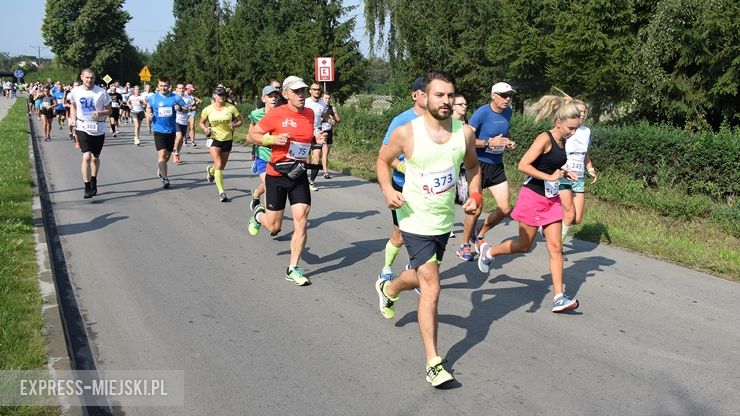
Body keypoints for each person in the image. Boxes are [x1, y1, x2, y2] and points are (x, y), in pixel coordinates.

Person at [374, 71, 482, 387]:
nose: (446, 101)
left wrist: (475, 194)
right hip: (412, 217)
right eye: (439, 95)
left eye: (451, 95)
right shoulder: (407, 133)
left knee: (421, 275)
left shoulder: (465, 133)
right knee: (432, 284)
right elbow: (382, 161)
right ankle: (434, 362)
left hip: (442, 219)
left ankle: (390, 287)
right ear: (426, 97)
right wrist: (387, 190)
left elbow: (474, 167)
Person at [477, 94, 581, 313]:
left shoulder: (563, 140)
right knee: (525, 245)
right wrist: (550, 177)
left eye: (576, 129)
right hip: (533, 197)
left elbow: (550, 167)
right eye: (570, 128)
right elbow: (523, 165)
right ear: (558, 122)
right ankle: (490, 252)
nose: (573, 133)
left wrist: (563, 172)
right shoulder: (544, 138)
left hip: (551, 200)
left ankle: (559, 297)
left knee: (556, 247)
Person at [247, 76, 327, 286]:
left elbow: (305, 136)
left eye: (303, 91)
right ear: (286, 94)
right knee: (274, 227)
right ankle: (258, 214)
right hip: (277, 175)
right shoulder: (276, 115)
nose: (302, 95)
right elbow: (252, 136)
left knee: (302, 220)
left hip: (298, 173)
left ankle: (293, 268)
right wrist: (272, 139)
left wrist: (315, 140)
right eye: (297, 92)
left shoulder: (309, 113)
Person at [457, 82, 517, 262]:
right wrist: (489, 143)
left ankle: (480, 233)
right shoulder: (482, 112)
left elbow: (501, 137)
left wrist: (508, 142)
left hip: (497, 166)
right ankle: (464, 244)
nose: (507, 99)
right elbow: (467, 139)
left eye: (509, 95)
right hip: (477, 165)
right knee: (475, 208)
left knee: (505, 208)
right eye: (504, 95)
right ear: (493, 96)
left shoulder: (509, 112)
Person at [377, 76, 427, 281]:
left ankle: (419, 272)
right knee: (400, 235)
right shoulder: (401, 120)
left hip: (428, 189)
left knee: (426, 235)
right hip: (403, 186)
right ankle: (387, 270)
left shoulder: (441, 121)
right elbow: (384, 156)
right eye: (424, 93)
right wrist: (403, 166)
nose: (429, 96)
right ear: (414, 95)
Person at [68, 68, 112, 199]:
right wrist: (73, 119)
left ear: (95, 78)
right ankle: (87, 187)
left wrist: (100, 113)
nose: (89, 80)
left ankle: (94, 179)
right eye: (87, 77)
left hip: (98, 127)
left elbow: (109, 110)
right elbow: (73, 105)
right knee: (86, 156)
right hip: (82, 126)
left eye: (91, 78)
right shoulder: (75, 91)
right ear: (82, 77)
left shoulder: (101, 92)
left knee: (95, 158)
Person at [559, 99, 598, 241]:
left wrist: (590, 169)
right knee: (569, 215)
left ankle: (551, 225)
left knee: (577, 218)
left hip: (579, 176)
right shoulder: (565, 127)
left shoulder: (586, 131)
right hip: (564, 174)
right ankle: (557, 247)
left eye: (584, 112)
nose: (582, 114)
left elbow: (585, 154)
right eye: (579, 111)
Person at [200, 86, 243, 202]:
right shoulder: (208, 109)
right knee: (218, 164)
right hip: (214, 139)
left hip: (227, 139)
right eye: (219, 95)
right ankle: (222, 192)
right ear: (214, 95)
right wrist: (205, 129)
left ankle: (211, 170)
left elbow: (240, 121)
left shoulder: (231, 108)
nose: (222, 97)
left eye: (224, 95)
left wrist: (235, 125)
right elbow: (201, 122)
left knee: (221, 166)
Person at [146, 76, 187, 189]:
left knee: (168, 155)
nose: (163, 88)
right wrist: (149, 115)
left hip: (171, 130)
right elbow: (148, 108)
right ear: (158, 86)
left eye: (165, 86)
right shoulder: (153, 98)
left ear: (169, 86)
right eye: (161, 86)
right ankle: (165, 178)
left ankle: (161, 169)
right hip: (158, 130)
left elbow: (187, 109)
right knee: (162, 154)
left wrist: (180, 109)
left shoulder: (175, 97)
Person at [247, 85, 281, 210]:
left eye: (275, 96)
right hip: (262, 156)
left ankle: (256, 193)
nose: (273, 99)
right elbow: (249, 136)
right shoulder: (256, 114)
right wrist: (263, 141)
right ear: (263, 98)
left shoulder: (282, 113)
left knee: (271, 183)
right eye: (270, 96)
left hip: (278, 157)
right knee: (269, 186)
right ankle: (268, 216)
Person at [304, 81, 327, 191]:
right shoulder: (305, 102)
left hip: (317, 133)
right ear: (310, 91)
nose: (317, 91)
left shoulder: (323, 103)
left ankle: (311, 181)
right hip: (305, 132)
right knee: (304, 159)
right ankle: (302, 180)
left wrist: (329, 119)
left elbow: (324, 115)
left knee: (317, 158)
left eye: (318, 89)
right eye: (314, 89)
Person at [318, 92, 340, 177]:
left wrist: (335, 115)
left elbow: (338, 120)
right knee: (324, 151)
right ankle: (325, 172)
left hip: (329, 131)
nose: (327, 100)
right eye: (326, 98)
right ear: (322, 99)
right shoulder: (319, 107)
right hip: (321, 132)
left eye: (329, 98)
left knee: (326, 153)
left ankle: (323, 167)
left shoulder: (331, 108)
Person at [172, 83, 191, 164]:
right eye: (179, 88)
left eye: (182, 88)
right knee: (179, 137)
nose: (181, 89)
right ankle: (175, 152)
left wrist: (181, 109)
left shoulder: (188, 98)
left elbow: (188, 109)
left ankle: (177, 153)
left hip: (184, 121)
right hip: (176, 120)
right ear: (176, 89)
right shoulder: (173, 97)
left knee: (181, 140)